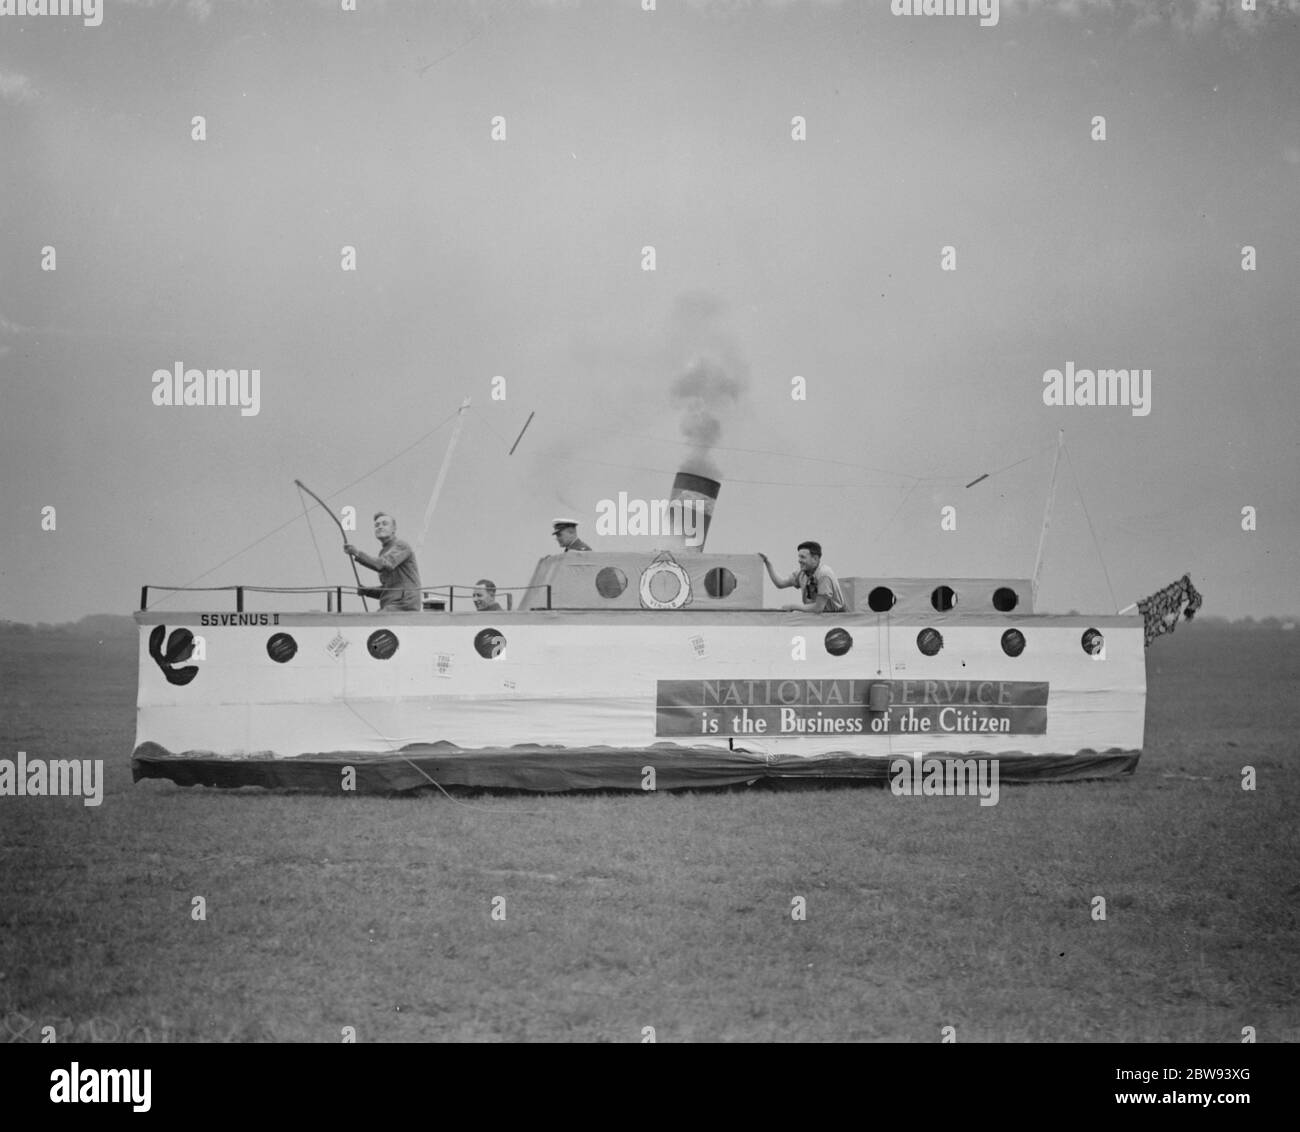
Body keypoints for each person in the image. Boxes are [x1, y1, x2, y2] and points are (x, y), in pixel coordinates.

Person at [344, 512, 423, 612]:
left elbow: (383, 565)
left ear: (394, 529)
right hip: (392, 604)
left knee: (375, 620)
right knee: (371, 620)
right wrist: (366, 591)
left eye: (384, 524)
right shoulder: (384, 552)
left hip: (403, 604)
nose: (380, 527)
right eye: (377, 525)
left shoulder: (401, 546)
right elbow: (388, 588)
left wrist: (357, 553)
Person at [759, 541, 847, 613]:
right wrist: (768, 563)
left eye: (803, 557)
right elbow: (780, 583)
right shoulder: (802, 573)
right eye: (799, 557)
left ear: (815, 559)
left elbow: (818, 608)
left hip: (834, 618)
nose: (799, 561)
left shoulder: (824, 574)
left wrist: (793, 606)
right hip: (814, 617)